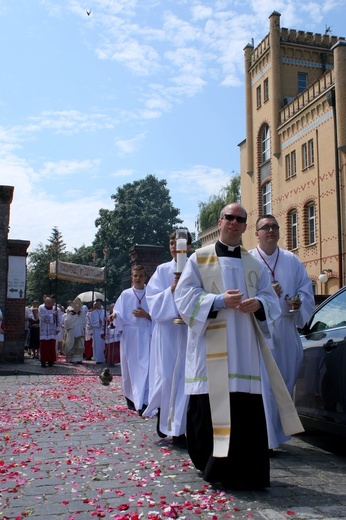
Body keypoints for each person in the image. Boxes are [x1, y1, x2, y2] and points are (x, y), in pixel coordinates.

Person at [175, 203, 303, 490]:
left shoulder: (252, 263)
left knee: (244, 408)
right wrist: (219, 301)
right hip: (211, 351)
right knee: (209, 409)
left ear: (246, 227)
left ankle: (248, 471)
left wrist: (259, 303)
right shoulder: (199, 259)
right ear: (220, 222)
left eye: (240, 219)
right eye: (229, 218)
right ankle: (212, 465)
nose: (234, 223)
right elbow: (183, 299)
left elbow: (270, 299)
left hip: (244, 352)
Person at [250, 214, 315, 450]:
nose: (270, 230)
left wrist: (299, 302)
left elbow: (305, 289)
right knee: (265, 384)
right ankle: (265, 439)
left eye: (274, 227)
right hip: (260, 330)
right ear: (256, 233)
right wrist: (266, 294)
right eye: (265, 227)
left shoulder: (291, 260)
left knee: (286, 381)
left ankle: (277, 434)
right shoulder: (248, 260)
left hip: (286, 327)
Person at [143, 230, 192, 449]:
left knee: (186, 379)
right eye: (172, 242)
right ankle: (165, 418)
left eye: (180, 243)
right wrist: (171, 290)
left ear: (188, 247)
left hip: (190, 331)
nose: (175, 247)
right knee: (168, 377)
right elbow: (152, 302)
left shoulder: (196, 266)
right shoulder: (162, 270)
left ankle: (181, 428)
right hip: (168, 333)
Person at [110, 265, 151, 414]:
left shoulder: (152, 293)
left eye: (141, 275)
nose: (138, 278)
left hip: (146, 333)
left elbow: (158, 313)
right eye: (135, 276)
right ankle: (131, 398)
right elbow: (118, 312)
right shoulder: (126, 294)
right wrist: (115, 316)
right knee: (129, 367)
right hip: (130, 335)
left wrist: (146, 315)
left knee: (145, 367)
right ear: (132, 277)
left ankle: (145, 400)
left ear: (145, 277)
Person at [39, 295, 61, 367]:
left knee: (51, 345)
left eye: (50, 302)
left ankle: (51, 360)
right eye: (47, 302)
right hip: (44, 329)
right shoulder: (41, 308)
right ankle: (43, 360)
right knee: (44, 346)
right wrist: (52, 315)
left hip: (52, 330)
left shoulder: (56, 309)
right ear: (44, 302)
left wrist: (58, 328)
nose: (49, 303)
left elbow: (59, 320)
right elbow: (43, 318)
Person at [64, 298, 87, 364]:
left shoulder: (81, 314)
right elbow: (66, 321)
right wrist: (73, 322)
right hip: (72, 331)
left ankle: (79, 359)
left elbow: (84, 321)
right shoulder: (71, 313)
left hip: (79, 331)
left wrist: (80, 323)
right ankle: (71, 359)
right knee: (71, 343)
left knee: (79, 344)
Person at [89, 299, 106, 363]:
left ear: (101, 304)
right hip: (96, 330)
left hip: (102, 330)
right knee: (97, 345)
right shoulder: (93, 313)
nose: (97, 305)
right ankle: (98, 359)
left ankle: (103, 358)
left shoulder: (104, 312)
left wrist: (103, 322)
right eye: (96, 304)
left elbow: (107, 321)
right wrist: (98, 322)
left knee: (102, 344)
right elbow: (92, 322)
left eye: (98, 304)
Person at [104, 303, 120, 367]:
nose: (112, 309)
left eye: (114, 307)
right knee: (109, 348)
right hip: (109, 333)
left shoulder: (118, 314)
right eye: (111, 307)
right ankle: (109, 361)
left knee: (115, 348)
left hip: (116, 333)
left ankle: (114, 361)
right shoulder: (107, 314)